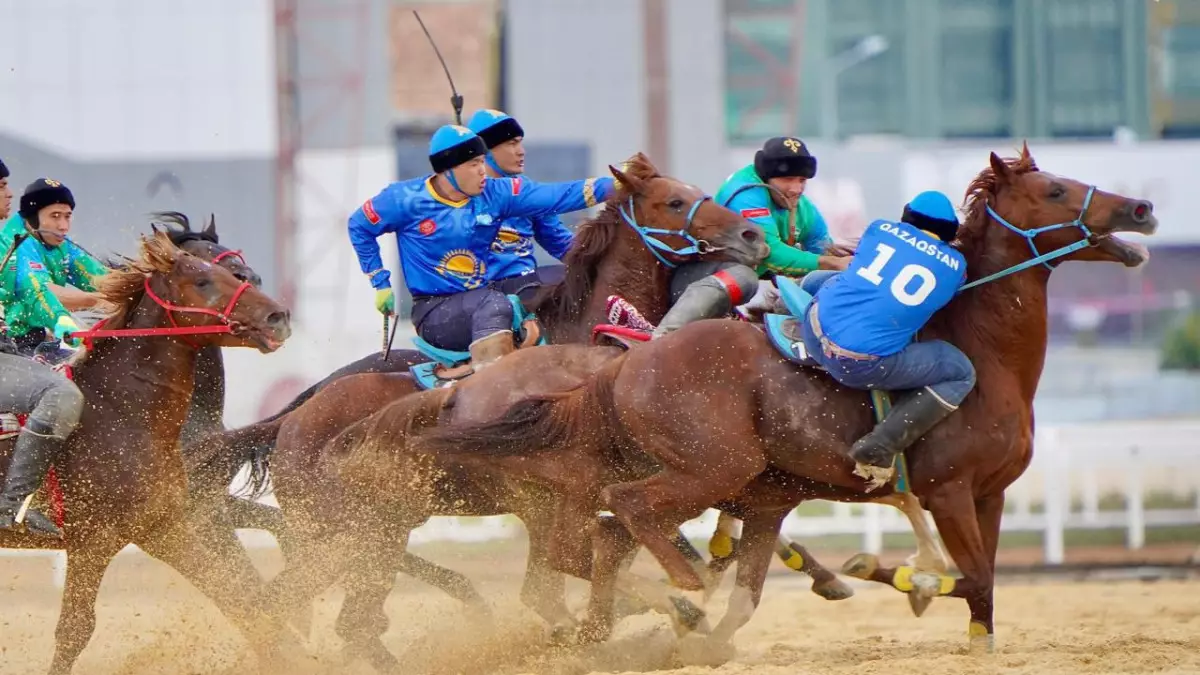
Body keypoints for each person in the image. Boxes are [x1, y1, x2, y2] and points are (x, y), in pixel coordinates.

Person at [348, 124, 615, 371]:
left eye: (483, 162)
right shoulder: (403, 199)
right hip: (435, 311)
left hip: (485, 293)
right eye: (474, 164)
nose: (483, 171)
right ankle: (494, 393)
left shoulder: (495, 193)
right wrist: (380, 282)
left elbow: (559, 195)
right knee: (495, 305)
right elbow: (359, 226)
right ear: (449, 169)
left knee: (570, 280)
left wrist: (617, 183)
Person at [798, 190, 975, 473]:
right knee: (960, 371)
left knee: (835, 280)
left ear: (907, 217)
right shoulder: (957, 268)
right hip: (857, 366)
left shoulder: (880, 228)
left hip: (811, 326)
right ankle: (881, 445)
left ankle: (786, 300)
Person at [0, 174, 92, 538]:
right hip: (17, 349)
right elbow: (37, 291)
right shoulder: (16, 243)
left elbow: (96, 279)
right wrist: (65, 320)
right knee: (61, 394)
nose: (9, 194)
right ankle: (12, 509)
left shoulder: (12, 241)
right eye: (2, 186)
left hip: (10, 352)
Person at [465, 109, 573, 303]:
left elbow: (560, 242)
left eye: (520, 142)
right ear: (486, 151)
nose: (521, 151)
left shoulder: (526, 192)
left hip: (525, 284)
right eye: (511, 143)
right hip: (480, 294)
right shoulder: (462, 193)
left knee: (582, 282)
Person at [1, 179, 109, 357]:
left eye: (67, 216)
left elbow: (100, 278)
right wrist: (62, 316)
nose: (63, 226)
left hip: (43, 340)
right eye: (55, 216)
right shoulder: (16, 244)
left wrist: (134, 288)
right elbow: (37, 290)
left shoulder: (60, 244)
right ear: (32, 217)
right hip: (13, 344)